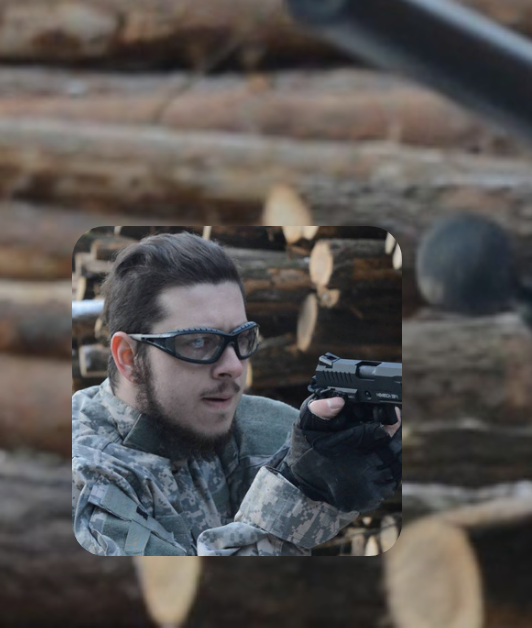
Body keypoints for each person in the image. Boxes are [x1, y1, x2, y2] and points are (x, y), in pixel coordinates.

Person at [72, 232, 401, 555]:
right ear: (129, 358)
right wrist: (299, 492)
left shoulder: (248, 423)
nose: (233, 366)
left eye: (241, 338)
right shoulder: (84, 479)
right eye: (199, 342)